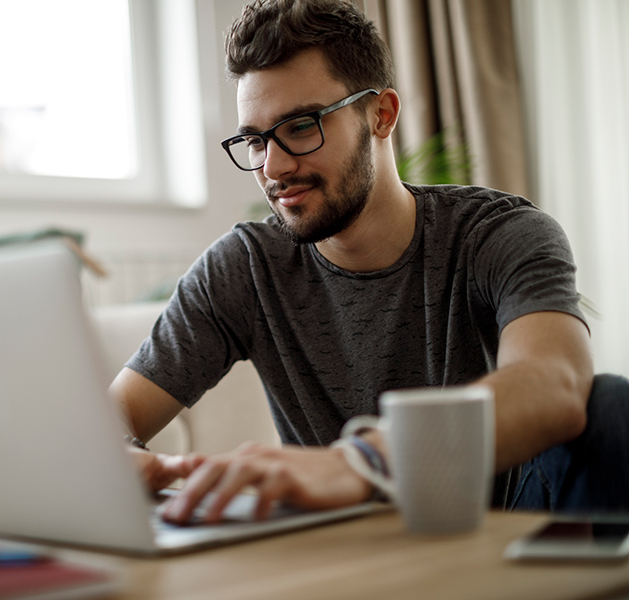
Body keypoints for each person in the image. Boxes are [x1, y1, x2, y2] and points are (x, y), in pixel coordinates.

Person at [109, 0, 629, 524]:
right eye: (255, 139)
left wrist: (362, 462)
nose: (274, 166)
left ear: (381, 115)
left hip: (490, 524)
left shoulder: (498, 233)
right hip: (339, 541)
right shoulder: (244, 267)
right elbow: (109, 416)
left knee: (611, 407)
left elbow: (555, 381)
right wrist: (117, 457)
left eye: (300, 127)